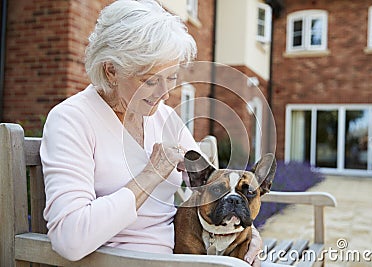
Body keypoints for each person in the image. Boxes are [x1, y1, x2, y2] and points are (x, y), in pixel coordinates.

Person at [40, 0, 262, 265]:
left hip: (181, 256)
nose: (166, 94)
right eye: (151, 81)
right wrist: (151, 174)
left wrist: (247, 233)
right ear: (112, 70)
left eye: (171, 79)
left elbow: (212, 191)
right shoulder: (72, 120)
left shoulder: (164, 117)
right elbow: (70, 239)